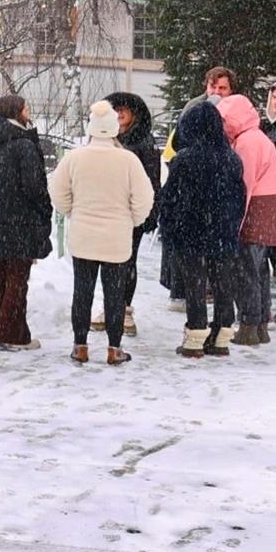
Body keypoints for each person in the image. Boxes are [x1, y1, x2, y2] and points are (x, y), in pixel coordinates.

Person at [48, 101, 154, 366]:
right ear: (114, 129)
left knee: (81, 292)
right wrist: (132, 220)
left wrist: (73, 212)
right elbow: (144, 198)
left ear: (92, 129)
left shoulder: (74, 157)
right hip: (117, 239)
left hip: (83, 237)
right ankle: (114, 348)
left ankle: (80, 346)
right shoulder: (128, 160)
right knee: (115, 295)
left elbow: (57, 191)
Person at [157, 103, 245, 358]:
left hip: (190, 231)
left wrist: (170, 226)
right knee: (223, 282)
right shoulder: (232, 159)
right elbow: (240, 195)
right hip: (223, 231)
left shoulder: (183, 160)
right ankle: (221, 336)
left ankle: (195, 337)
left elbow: (170, 197)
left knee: (195, 284)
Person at [0, 94, 52, 350]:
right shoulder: (23, 145)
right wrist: (43, 208)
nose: (29, 112)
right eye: (26, 108)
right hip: (20, 221)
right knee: (17, 277)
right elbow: (34, 186)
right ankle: (12, 334)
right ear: (17, 112)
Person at [216, 94, 276, 346]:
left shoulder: (247, 142)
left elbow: (245, 184)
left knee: (245, 270)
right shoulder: (258, 137)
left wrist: (235, 222)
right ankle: (261, 322)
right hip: (269, 209)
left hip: (256, 210)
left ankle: (249, 325)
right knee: (259, 269)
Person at [101, 92, 162, 338]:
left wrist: (149, 212)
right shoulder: (105, 139)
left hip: (131, 212)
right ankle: (108, 308)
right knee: (107, 261)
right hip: (107, 210)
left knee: (127, 261)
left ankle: (124, 309)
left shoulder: (143, 144)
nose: (119, 114)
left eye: (124, 109)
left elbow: (152, 182)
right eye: (115, 109)